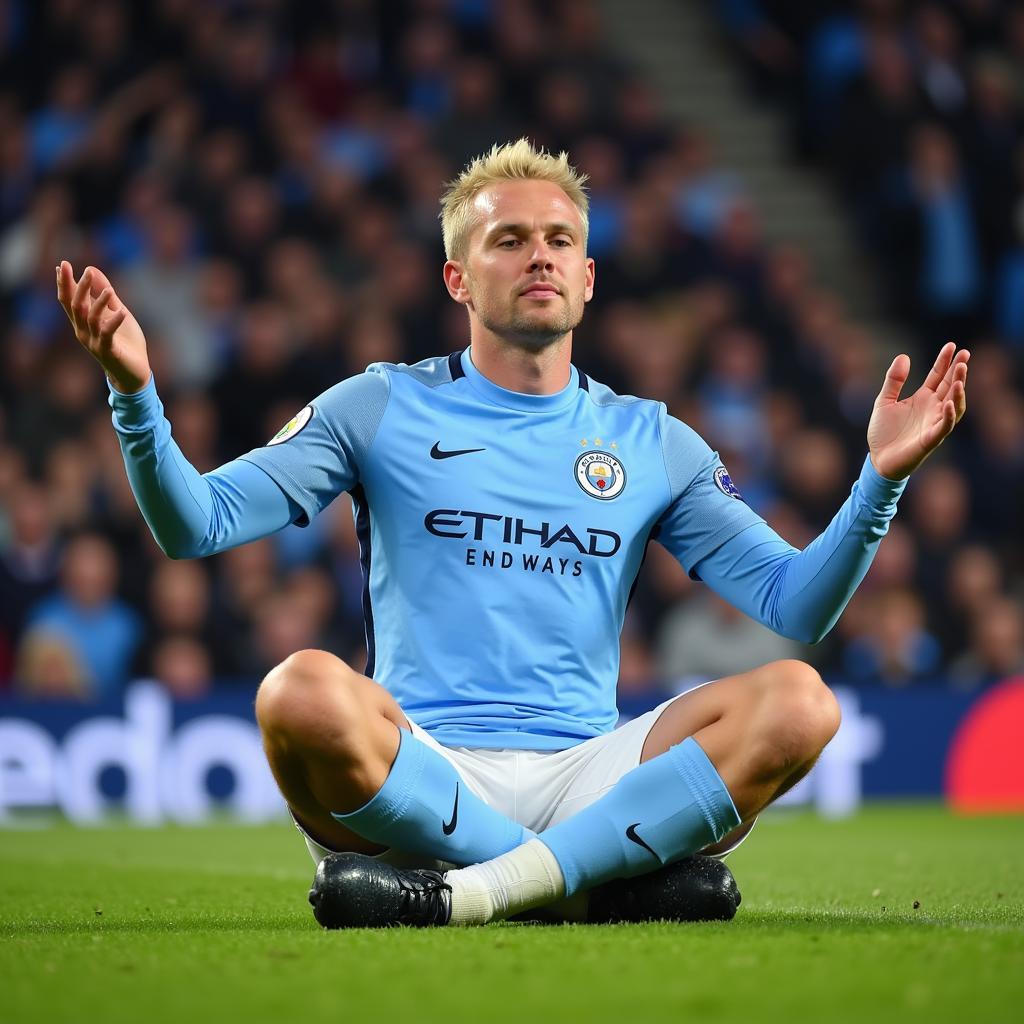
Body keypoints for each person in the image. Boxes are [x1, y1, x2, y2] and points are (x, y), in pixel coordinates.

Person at [56, 139, 969, 928]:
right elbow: (195, 525)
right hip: (422, 765)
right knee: (298, 693)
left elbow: (797, 605)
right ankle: (578, 885)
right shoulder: (382, 405)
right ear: (458, 276)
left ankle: (477, 890)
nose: (541, 257)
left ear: (588, 275)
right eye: (511, 240)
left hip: (591, 769)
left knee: (802, 703)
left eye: (560, 241)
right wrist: (134, 393)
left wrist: (879, 481)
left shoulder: (650, 440)